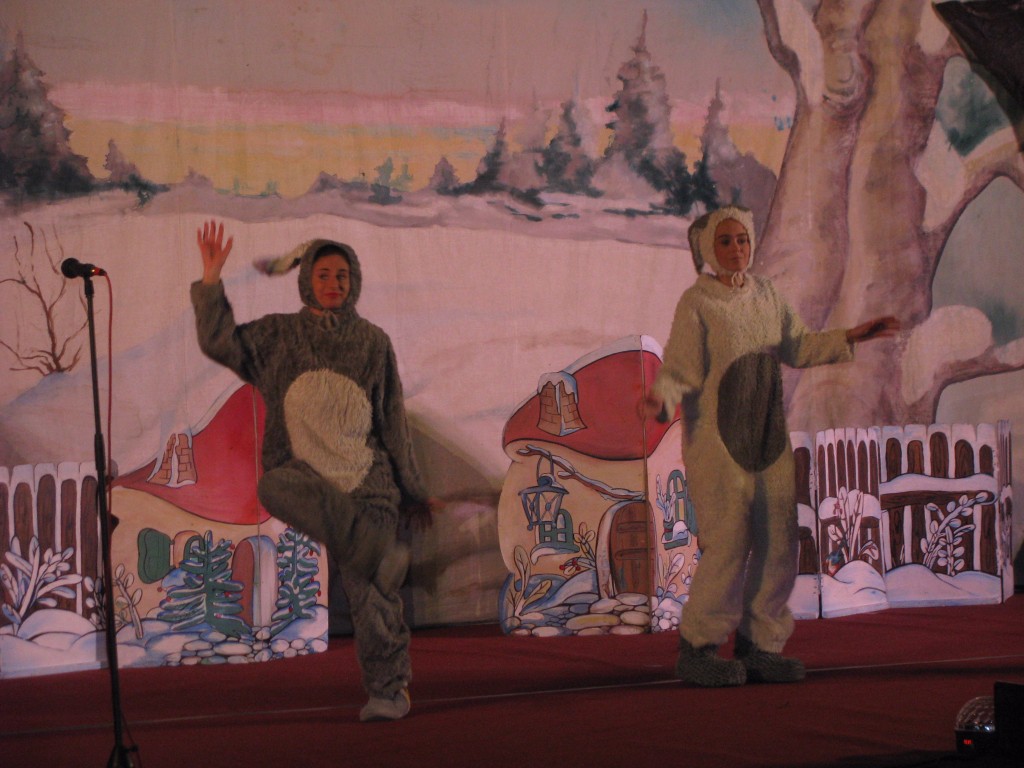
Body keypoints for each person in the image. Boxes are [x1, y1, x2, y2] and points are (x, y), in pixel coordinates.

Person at [642, 205, 898, 687]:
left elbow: (797, 345)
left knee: (779, 540)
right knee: (728, 544)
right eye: (725, 241)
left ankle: (760, 645)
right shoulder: (698, 302)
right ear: (708, 249)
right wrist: (662, 397)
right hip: (718, 444)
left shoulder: (767, 295)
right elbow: (681, 367)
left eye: (742, 239)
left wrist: (851, 336)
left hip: (768, 439)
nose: (736, 249)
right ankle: (698, 649)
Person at [191, 219, 434, 720]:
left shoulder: (372, 342)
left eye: (342, 276)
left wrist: (413, 490)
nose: (333, 284)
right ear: (306, 281)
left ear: (354, 282)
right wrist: (211, 282)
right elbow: (221, 343)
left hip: (366, 487)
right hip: (308, 480)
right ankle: (375, 552)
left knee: (371, 595)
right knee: (273, 485)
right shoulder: (279, 336)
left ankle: (389, 692)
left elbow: (392, 423)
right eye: (323, 275)